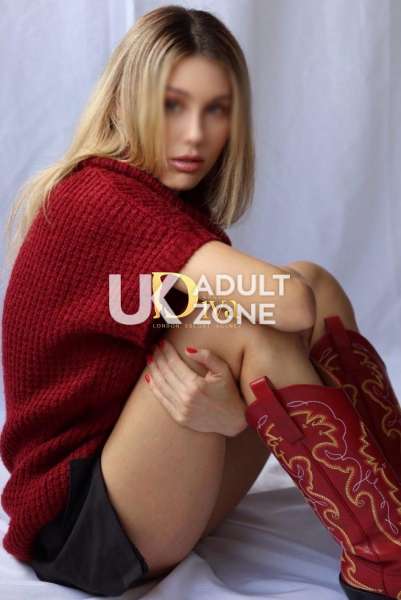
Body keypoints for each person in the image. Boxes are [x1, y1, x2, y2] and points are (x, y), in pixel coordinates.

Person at [0, 5, 400, 599]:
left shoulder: (163, 203)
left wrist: (231, 413)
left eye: (216, 109)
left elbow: (287, 301)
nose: (195, 134)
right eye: (173, 105)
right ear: (125, 103)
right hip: (82, 526)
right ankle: (385, 558)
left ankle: (391, 495)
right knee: (252, 317)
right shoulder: (101, 198)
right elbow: (288, 306)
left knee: (316, 283)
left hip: (152, 479)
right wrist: (232, 402)